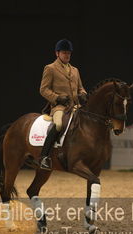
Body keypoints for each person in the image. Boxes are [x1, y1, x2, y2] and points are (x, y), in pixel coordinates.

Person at [39, 39, 87, 170]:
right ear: (57, 53)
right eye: (64, 53)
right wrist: (57, 98)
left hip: (75, 106)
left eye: (69, 53)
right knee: (59, 124)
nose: (67, 55)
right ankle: (44, 157)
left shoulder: (75, 70)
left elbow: (80, 88)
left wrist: (83, 93)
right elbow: (43, 89)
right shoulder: (50, 68)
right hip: (59, 107)